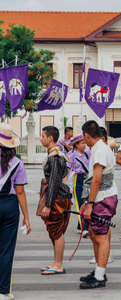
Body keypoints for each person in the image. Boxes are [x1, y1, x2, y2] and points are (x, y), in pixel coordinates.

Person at [79, 121, 119, 289]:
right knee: (95, 234)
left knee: (101, 237)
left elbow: (96, 179)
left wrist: (90, 204)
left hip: (103, 197)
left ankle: (100, 276)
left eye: (83, 137)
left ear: (87, 136)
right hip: (100, 197)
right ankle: (98, 270)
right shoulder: (99, 148)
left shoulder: (100, 150)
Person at [0, 124, 31, 300]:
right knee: (6, 250)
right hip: (10, 207)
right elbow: (20, 192)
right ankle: (3, 291)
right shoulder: (18, 163)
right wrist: (26, 217)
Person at [39, 126, 72, 275]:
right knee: (54, 231)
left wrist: (48, 204)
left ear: (50, 138)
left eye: (43, 136)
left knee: (57, 232)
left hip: (57, 198)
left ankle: (58, 265)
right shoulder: (58, 154)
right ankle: (55, 262)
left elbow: (53, 182)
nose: (41, 139)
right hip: (60, 196)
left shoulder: (54, 157)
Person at [68, 135, 90, 238]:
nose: (84, 145)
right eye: (82, 143)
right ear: (76, 145)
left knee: (86, 202)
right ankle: (84, 228)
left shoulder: (88, 154)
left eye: (85, 143)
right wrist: (67, 185)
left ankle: (79, 226)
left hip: (87, 179)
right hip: (77, 179)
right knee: (79, 203)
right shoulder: (72, 155)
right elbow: (67, 170)